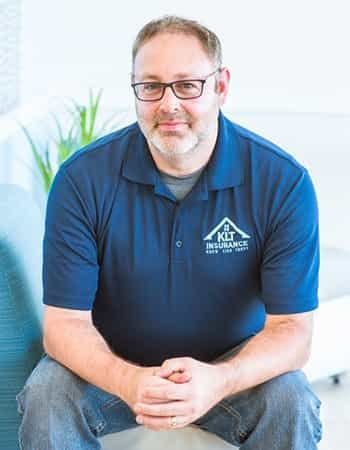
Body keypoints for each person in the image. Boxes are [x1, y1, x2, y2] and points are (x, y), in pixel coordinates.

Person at [17, 15, 322, 450]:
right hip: (111, 371)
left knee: (290, 397)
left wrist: (219, 380)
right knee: (48, 391)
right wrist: (130, 380)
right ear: (135, 90)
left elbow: (293, 330)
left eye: (187, 85)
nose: (168, 103)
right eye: (151, 86)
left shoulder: (282, 182)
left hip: (229, 375)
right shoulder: (82, 179)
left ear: (221, 86)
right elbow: (63, 326)